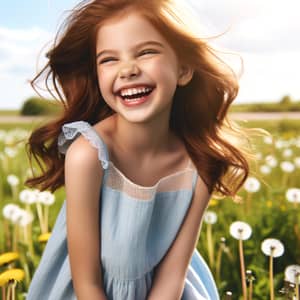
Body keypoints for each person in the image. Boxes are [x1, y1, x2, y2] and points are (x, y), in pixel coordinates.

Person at [25, 0, 255, 299]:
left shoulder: (201, 164)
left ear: (184, 69)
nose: (128, 70)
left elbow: (173, 277)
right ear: (97, 75)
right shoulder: (87, 155)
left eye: (146, 52)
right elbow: (87, 285)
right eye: (109, 59)